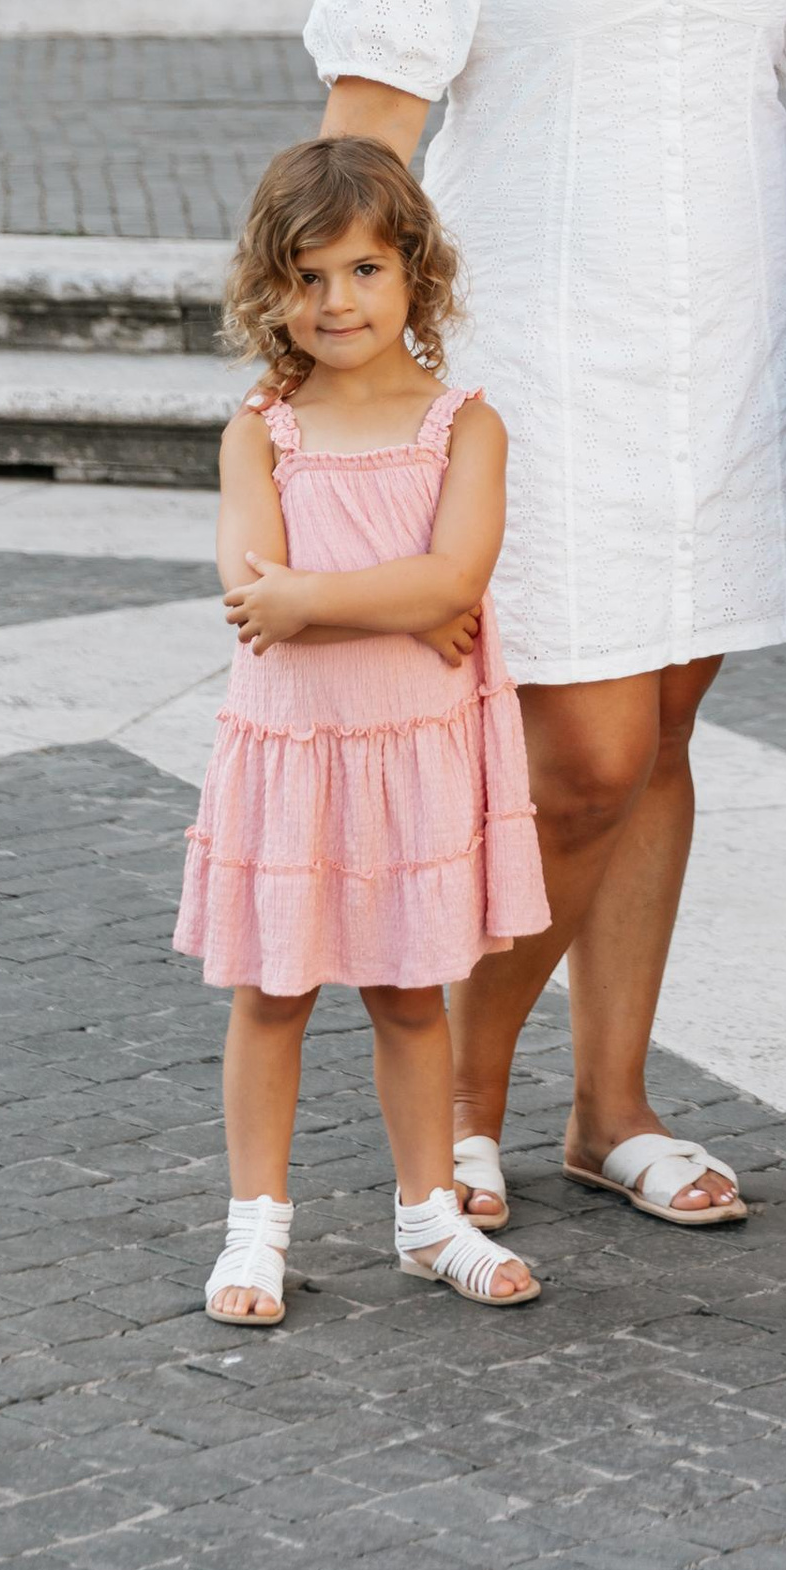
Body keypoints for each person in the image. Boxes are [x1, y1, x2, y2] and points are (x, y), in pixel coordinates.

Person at [304, 0, 786, 1234]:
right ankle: (463, 1103)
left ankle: (606, 1105)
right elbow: (371, 114)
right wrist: (334, 368)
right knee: (583, 758)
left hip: (726, 344)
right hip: (529, 354)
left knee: (670, 727)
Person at [174, 136, 549, 1324]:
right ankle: (254, 1229)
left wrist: (329, 596)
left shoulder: (464, 427)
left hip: (411, 756)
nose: (338, 300)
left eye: (365, 270)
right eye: (309, 275)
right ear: (270, 289)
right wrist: (394, 601)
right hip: (294, 756)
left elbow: (452, 581)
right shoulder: (261, 429)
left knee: (406, 990)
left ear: (414, 275)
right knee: (272, 993)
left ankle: (428, 1214)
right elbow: (252, 597)